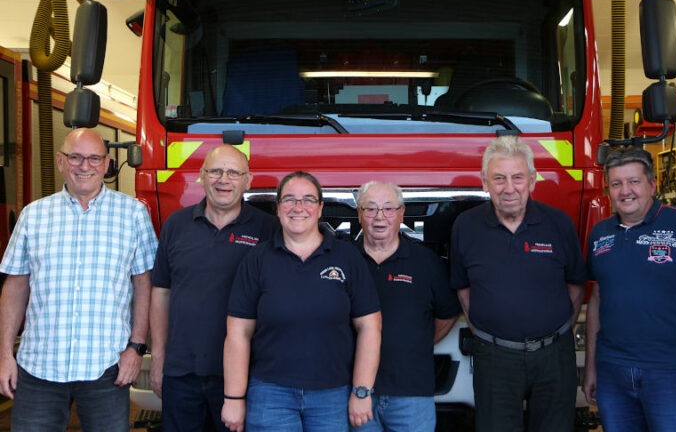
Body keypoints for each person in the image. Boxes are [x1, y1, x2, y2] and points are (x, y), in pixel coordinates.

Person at [0, 128, 157, 431]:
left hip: (106, 368)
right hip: (39, 369)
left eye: (94, 158)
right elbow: (15, 286)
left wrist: (136, 348)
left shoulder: (133, 215)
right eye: (75, 157)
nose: (85, 166)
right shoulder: (33, 216)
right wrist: (6, 354)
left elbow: (143, 283)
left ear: (107, 163)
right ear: (61, 162)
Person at [221, 171, 382, 432]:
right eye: (289, 200)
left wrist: (362, 391)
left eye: (308, 199)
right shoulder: (257, 260)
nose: (299, 207)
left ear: (320, 208)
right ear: (278, 208)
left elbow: (370, 327)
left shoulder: (347, 257)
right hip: (270, 394)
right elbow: (238, 333)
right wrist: (234, 398)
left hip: (332, 395)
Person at [582, 147, 676, 431]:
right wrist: (591, 366)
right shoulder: (600, 234)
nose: (626, 191)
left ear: (652, 184)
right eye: (617, 183)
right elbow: (597, 301)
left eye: (634, 181)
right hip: (613, 371)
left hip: (672, 373)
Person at [450, 134, 587, 432]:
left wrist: (557, 334)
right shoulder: (466, 227)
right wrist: (490, 335)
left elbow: (576, 286)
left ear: (533, 181)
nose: (509, 188)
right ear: (485, 182)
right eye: (498, 178)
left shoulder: (559, 224)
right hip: (494, 358)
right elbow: (463, 289)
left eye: (517, 177)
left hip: (554, 357)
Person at [149, 145, 276, 431]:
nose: (224, 179)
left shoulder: (267, 230)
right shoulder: (176, 225)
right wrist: (158, 358)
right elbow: (161, 293)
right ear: (201, 176)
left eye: (233, 172)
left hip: (243, 375)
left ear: (248, 180)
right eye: (215, 171)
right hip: (181, 371)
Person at [352, 181, 461, 432]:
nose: (380, 217)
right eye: (371, 209)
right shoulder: (345, 261)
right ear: (359, 214)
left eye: (389, 209)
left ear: (402, 213)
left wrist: (415, 343)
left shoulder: (427, 263)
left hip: (412, 394)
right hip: (357, 395)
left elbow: (448, 313)